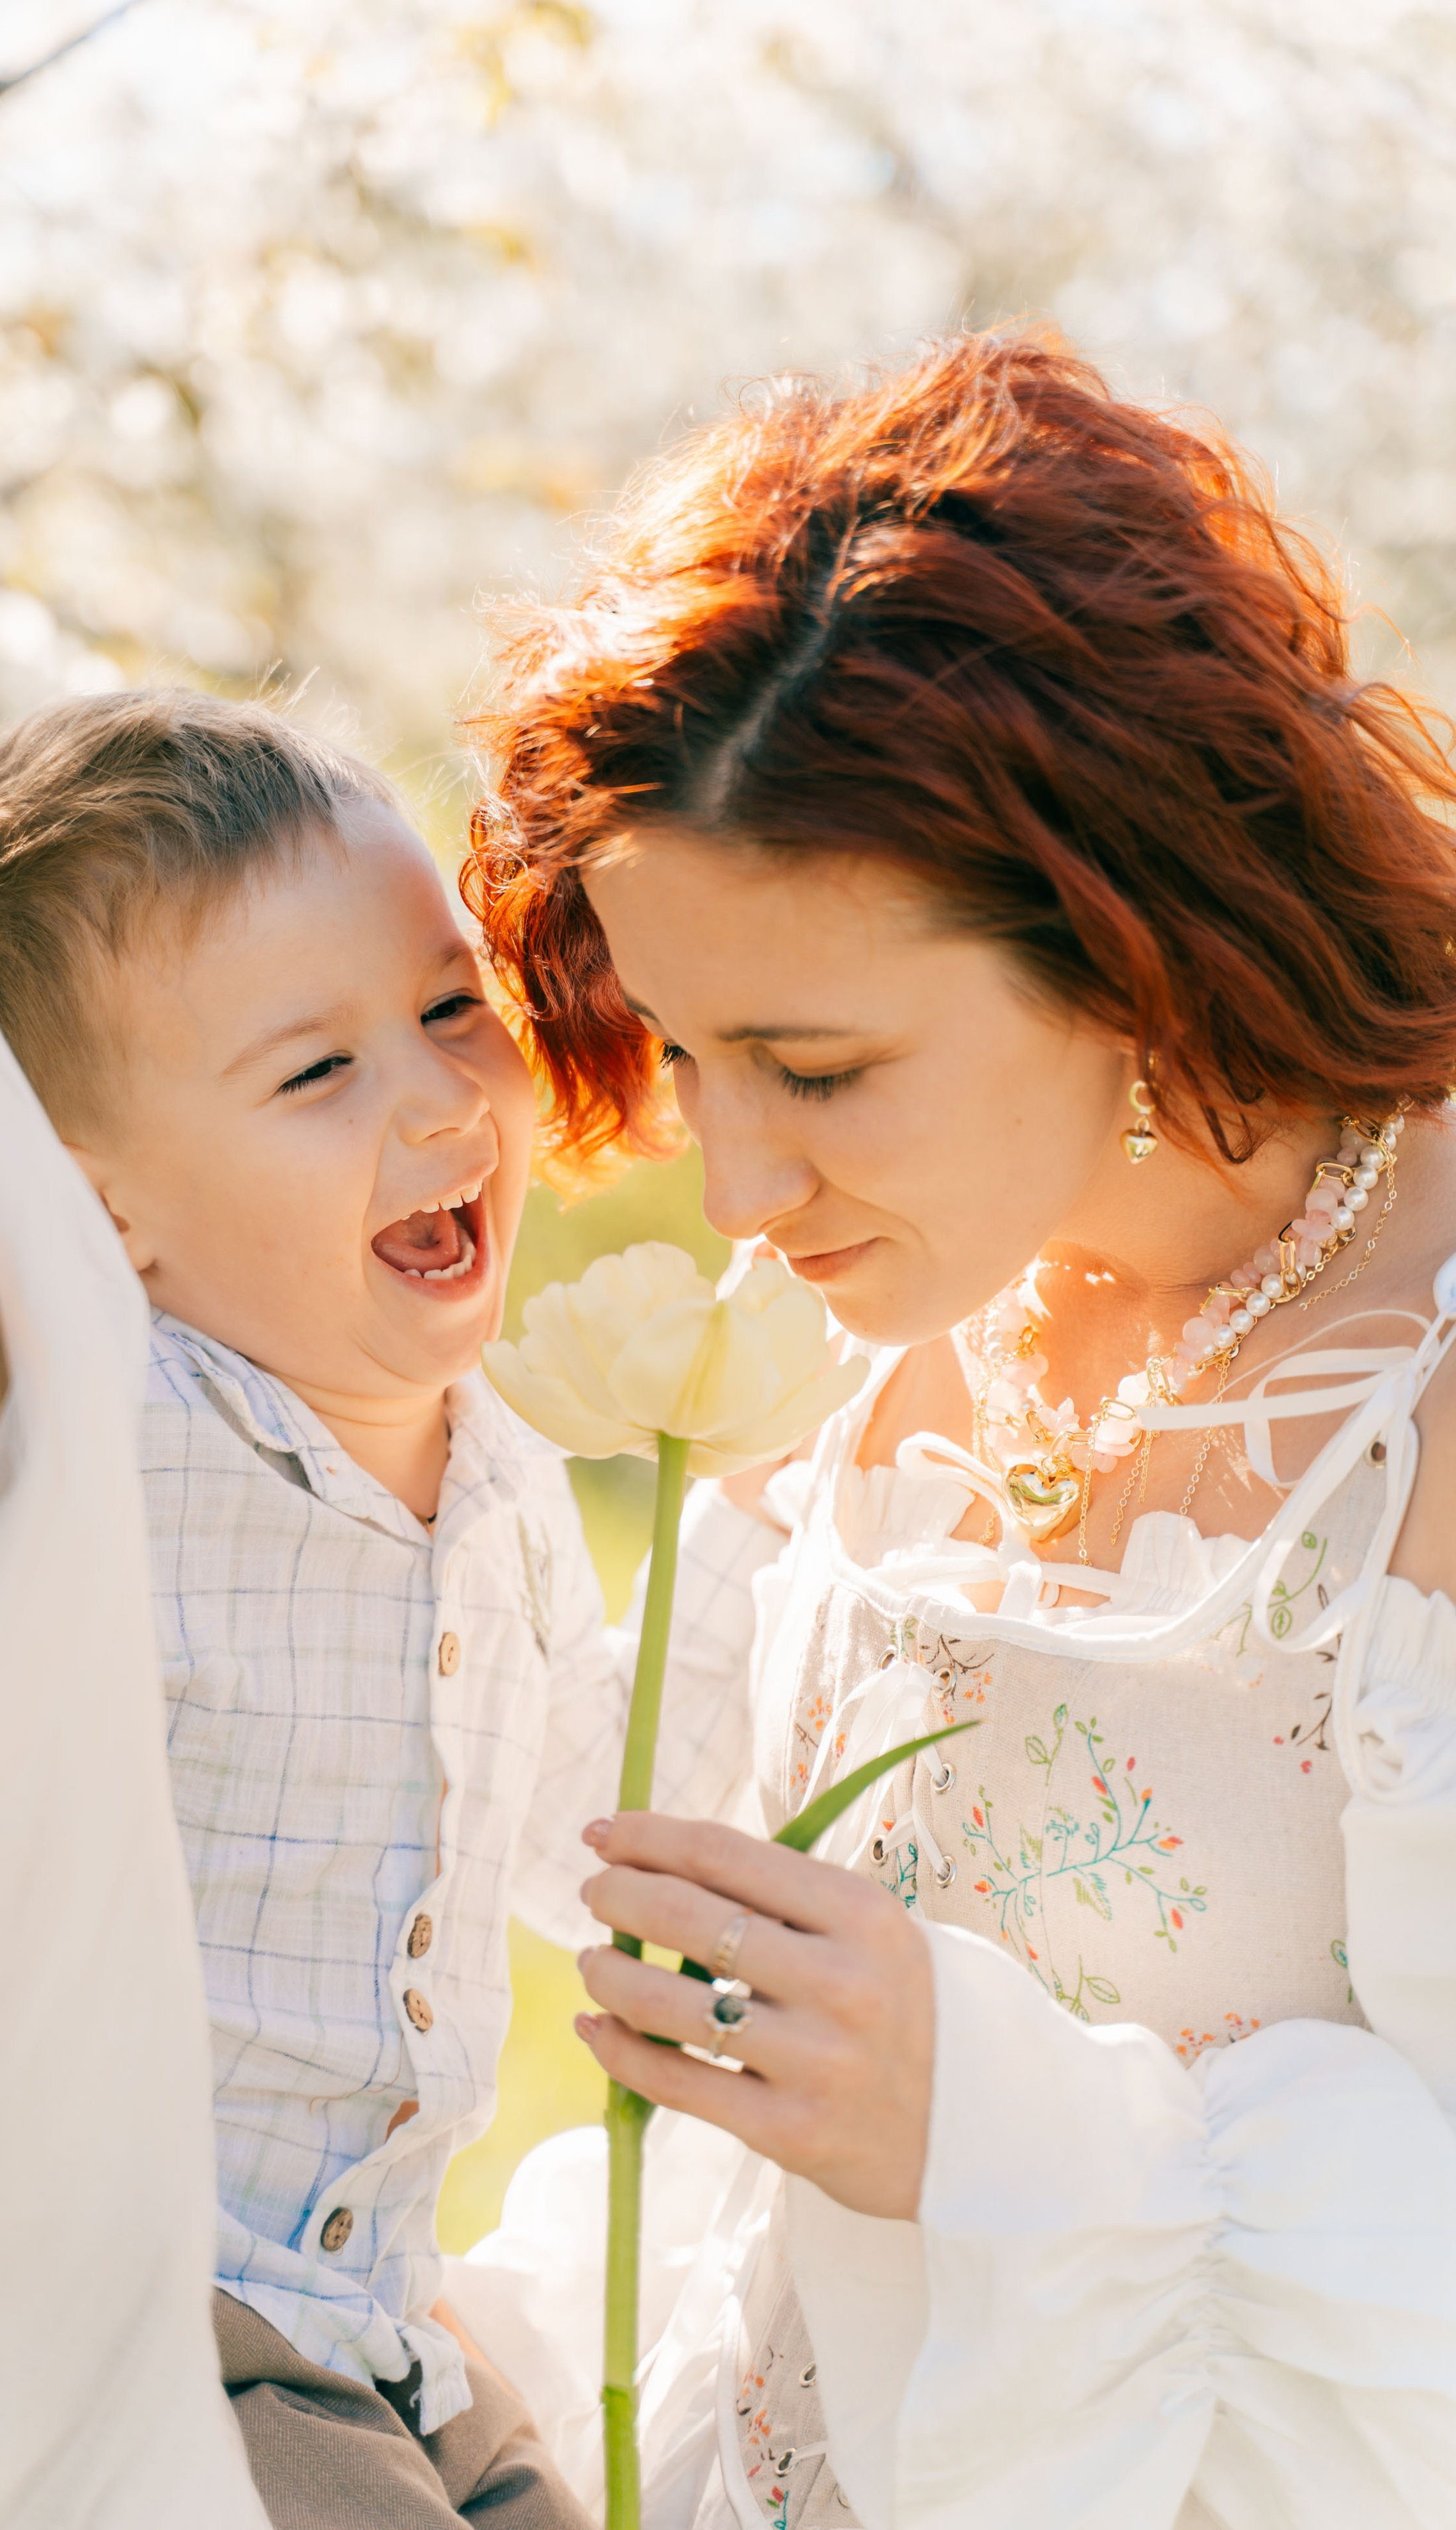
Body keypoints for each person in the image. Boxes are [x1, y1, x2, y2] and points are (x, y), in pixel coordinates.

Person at [460, 332, 1456, 2525]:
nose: (733, 1185)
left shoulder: (1429, 1395)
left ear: (1134, 933)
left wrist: (1000, 2131)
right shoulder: (836, 1333)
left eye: (816, 1072)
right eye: (690, 1054)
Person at [0, 692, 779, 2530]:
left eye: (448, 1008)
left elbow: (597, 1823)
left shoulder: (507, 1479)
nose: (431, 1097)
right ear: (102, 1216)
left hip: (359, 2329)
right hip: (64, 2312)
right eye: (315, 1075)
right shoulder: (91, 1438)